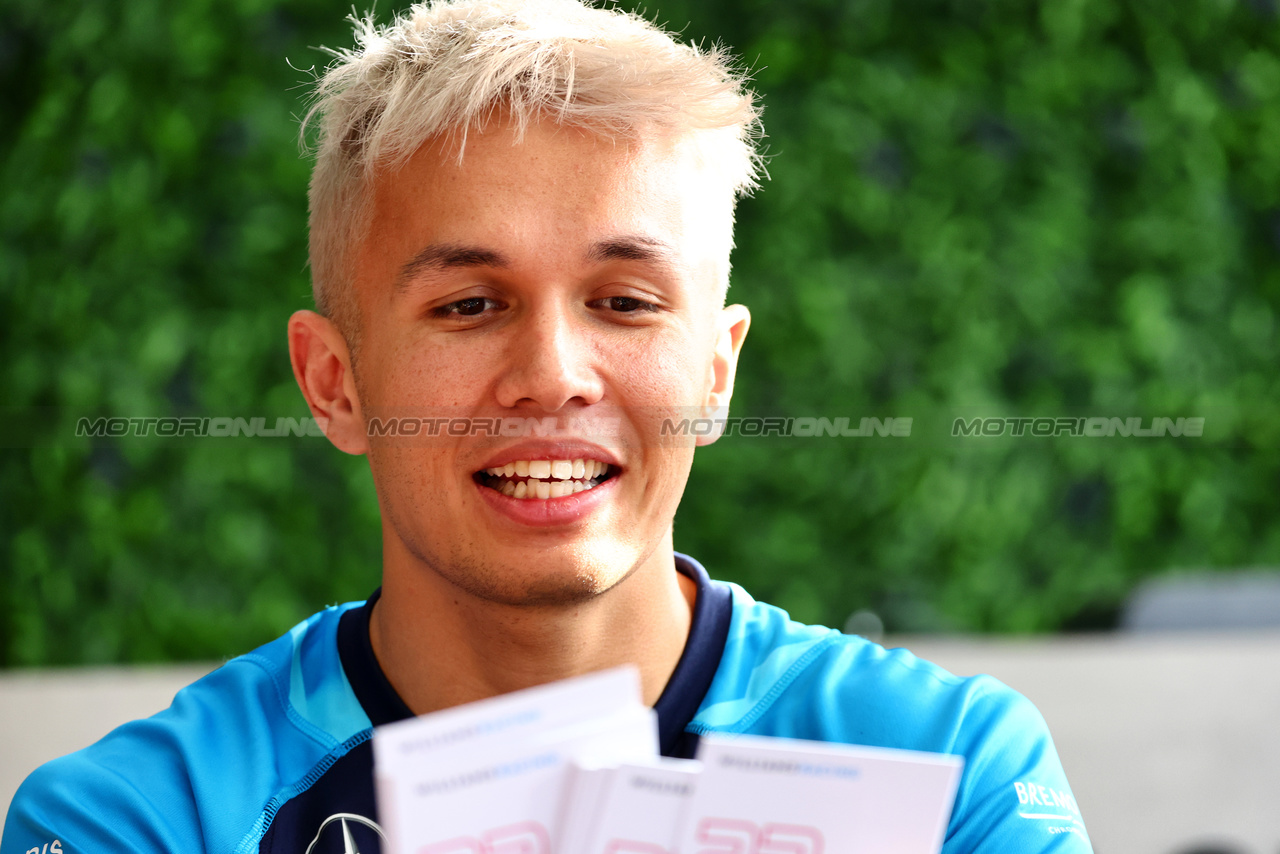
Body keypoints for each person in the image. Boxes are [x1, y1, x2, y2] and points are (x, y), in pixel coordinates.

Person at [2, 0, 1092, 851]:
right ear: (333, 382)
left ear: (715, 371)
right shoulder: (135, 822)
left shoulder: (948, 771)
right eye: (468, 305)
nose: (551, 375)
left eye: (623, 301)